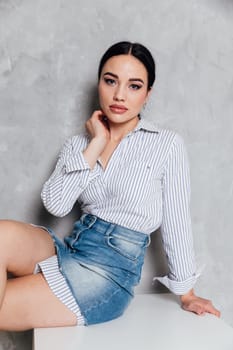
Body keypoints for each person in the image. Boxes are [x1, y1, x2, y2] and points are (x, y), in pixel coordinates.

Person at [0, 41, 220, 331]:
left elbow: (176, 220)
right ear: (99, 83)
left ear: (147, 94)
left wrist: (186, 292)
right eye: (110, 81)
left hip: (109, 273)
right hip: (72, 248)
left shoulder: (166, 145)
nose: (119, 95)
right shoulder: (79, 144)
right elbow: (55, 205)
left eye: (134, 86)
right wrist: (97, 144)